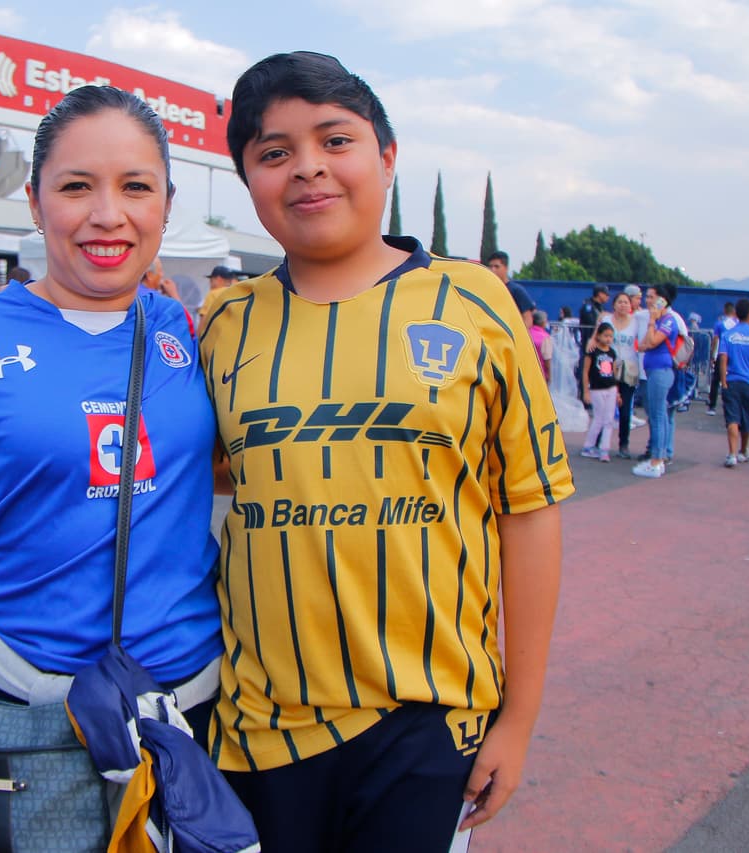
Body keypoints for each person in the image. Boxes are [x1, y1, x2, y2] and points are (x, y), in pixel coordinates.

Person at [201, 51, 573, 850]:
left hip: (430, 722)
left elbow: (529, 511)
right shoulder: (224, 324)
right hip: (259, 723)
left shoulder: (475, 304)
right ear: (248, 178)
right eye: (274, 153)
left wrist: (521, 715)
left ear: (387, 157)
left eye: (336, 140)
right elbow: (209, 478)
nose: (308, 169)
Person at [0, 86, 223, 843]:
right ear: (36, 204)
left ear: (165, 205)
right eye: (76, 186)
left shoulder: (188, 331)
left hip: (193, 708)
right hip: (20, 709)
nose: (108, 214)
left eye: (136, 187)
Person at [633, 283, 680, 477]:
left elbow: (652, 342)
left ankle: (657, 460)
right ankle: (657, 458)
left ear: (662, 300)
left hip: (661, 370)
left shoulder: (668, 320)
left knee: (658, 415)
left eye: (652, 297)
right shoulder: (660, 321)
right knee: (655, 414)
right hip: (653, 370)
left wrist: (652, 320)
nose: (648, 300)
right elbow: (643, 344)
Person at [716, 299, 749, 468]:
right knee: (747, 419)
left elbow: (723, 358)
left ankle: (732, 454)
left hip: (732, 382)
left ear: (736, 314)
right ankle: (743, 450)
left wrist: (723, 381)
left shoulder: (727, 335)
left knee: (732, 418)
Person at [603, 293, 639, 457]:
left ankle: (623, 444)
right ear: (614, 304)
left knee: (625, 409)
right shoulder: (607, 320)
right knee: (605, 406)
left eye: (626, 302)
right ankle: (599, 442)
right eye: (620, 302)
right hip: (607, 365)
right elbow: (597, 337)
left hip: (628, 368)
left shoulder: (636, 322)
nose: (623, 305)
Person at [581, 322, 620, 462]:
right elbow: (585, 371)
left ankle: (604, 449)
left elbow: (614, 371)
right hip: (597, 389)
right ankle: (589, 446)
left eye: (611, 336)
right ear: (598, 336)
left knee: (609, 420)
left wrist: (618, 391)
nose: (608, 339)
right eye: (606, 336)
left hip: (611, 388)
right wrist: (585, 391)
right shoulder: (592, 351)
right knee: (599, 418)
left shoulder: (612, 352)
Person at [485, 250, 534, 327]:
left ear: (506, 268)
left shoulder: (516, 290)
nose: (492, 270)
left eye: (496, 266)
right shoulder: (487, 290)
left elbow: (528, 319)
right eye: (490, 266)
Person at [706, 302, 737, 416]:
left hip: (721, 354)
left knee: (716, 380)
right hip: (733, 355)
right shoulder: (737, 324)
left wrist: (712, 354)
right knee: (731, 380)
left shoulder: (720, 324)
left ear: (725, 311)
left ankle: (712, 406)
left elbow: (715, 340)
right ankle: (730, 405)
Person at [529, 309, 554, 381]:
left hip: (526, 371)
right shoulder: (545, 338)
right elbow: (547, 358)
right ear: (543, 322)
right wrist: (549, 374)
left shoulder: (527, 333)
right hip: (540, 374)